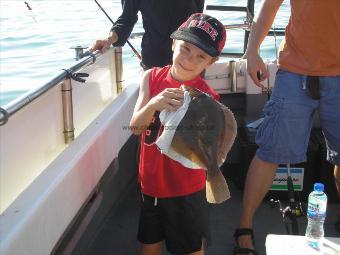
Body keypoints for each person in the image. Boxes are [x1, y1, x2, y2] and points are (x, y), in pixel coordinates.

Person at [234, 0, 340, 254]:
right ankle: (244, 227)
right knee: (270, 151)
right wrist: (252, 52)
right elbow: (270, 6)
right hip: (295, 72)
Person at [128, 13, 226, 255]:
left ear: (210, 62)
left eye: (200, 56)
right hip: (150, 186)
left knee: (191, 249)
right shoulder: (150, 78)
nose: (189, 60)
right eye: (185, 49)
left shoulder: (207, 99)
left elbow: (209, 144)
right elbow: (135, 128)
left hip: (186, 190)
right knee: (148, 245)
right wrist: (153, 104)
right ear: (173, 43)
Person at [90, 0, 204, 69]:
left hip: (190, 60)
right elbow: (126, 19)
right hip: (155, 61)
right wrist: (109, 40)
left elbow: (198, 18)